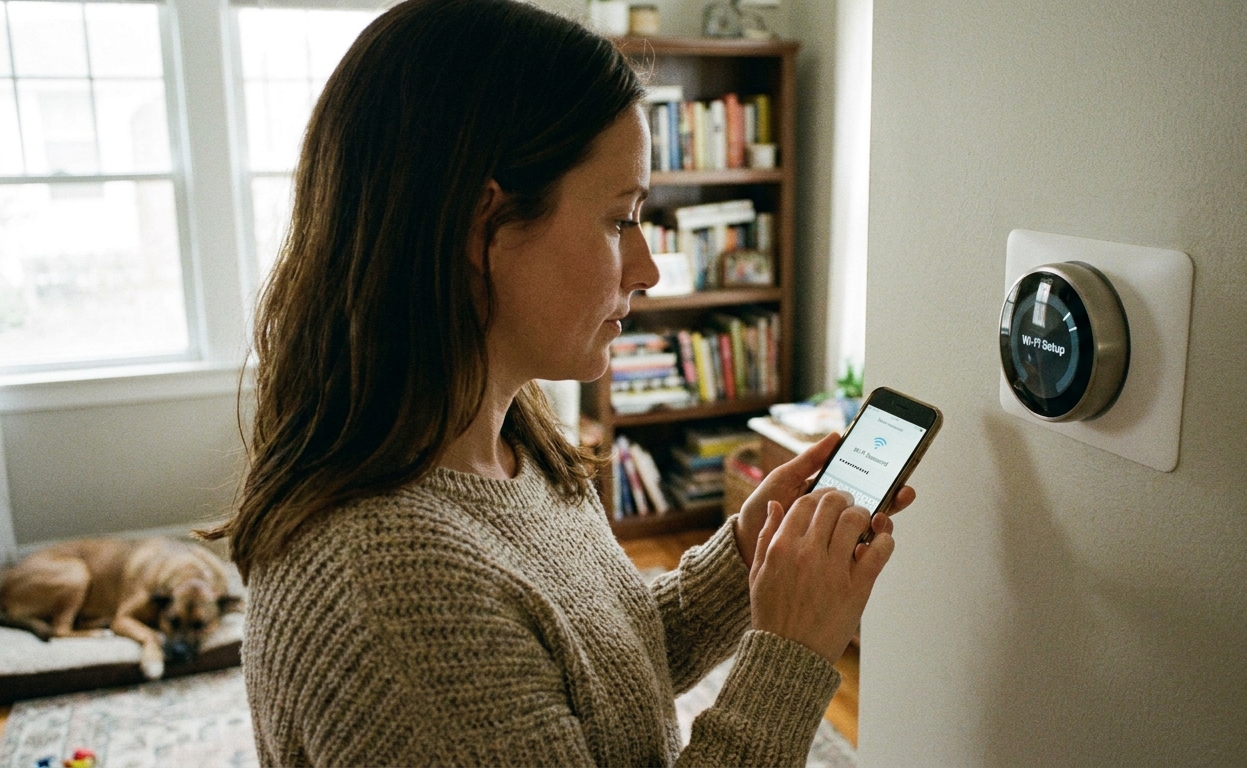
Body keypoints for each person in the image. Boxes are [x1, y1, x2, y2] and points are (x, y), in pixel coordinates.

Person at [201, 1, 913, 765]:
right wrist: (791, 658)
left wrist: (748, 552)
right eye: (620, 220)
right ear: (485, 227)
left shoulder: (512, 444)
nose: (649, 270)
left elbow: (601, 669)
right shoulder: (394, 593)